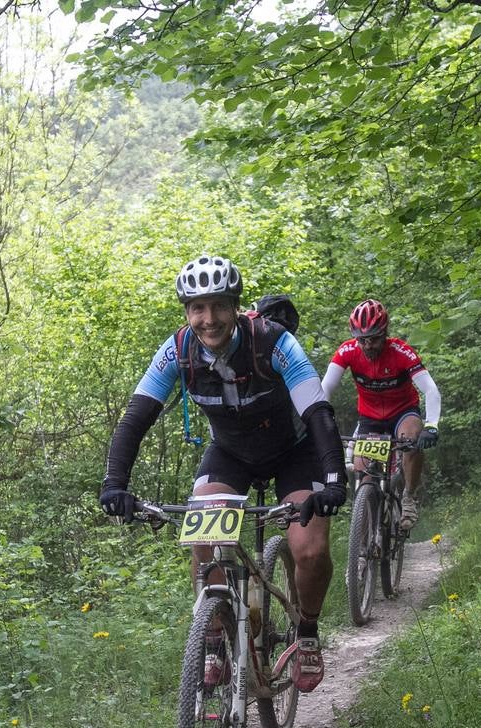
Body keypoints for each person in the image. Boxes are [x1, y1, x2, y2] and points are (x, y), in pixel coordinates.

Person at [99, 255, 347, 692]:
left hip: (294, 451)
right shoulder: (177, 350)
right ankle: (213, 638)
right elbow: (135, 419)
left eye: (218, 306)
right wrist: (114, 483)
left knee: (309, 552)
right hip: (230, 453)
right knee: (204, 539)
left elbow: (318, 412)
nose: (208, 319)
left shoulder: (274, 343)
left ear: (235, 307)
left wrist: (333, 479)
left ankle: (306, 633)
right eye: (197, 308)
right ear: (186, 312)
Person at [321, 298, 441, 529]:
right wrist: (320, 422)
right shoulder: (347, 351)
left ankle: (408, 496)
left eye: (374, 339)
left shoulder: (401, 352)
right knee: (362, 473)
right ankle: (362, 544)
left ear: (385, 333)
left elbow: (431, 389)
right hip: (370, 418)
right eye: (362, 340)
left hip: (403, 412)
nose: (367, 345)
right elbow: (325, 388)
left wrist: (432, 425)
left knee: (411, 441)